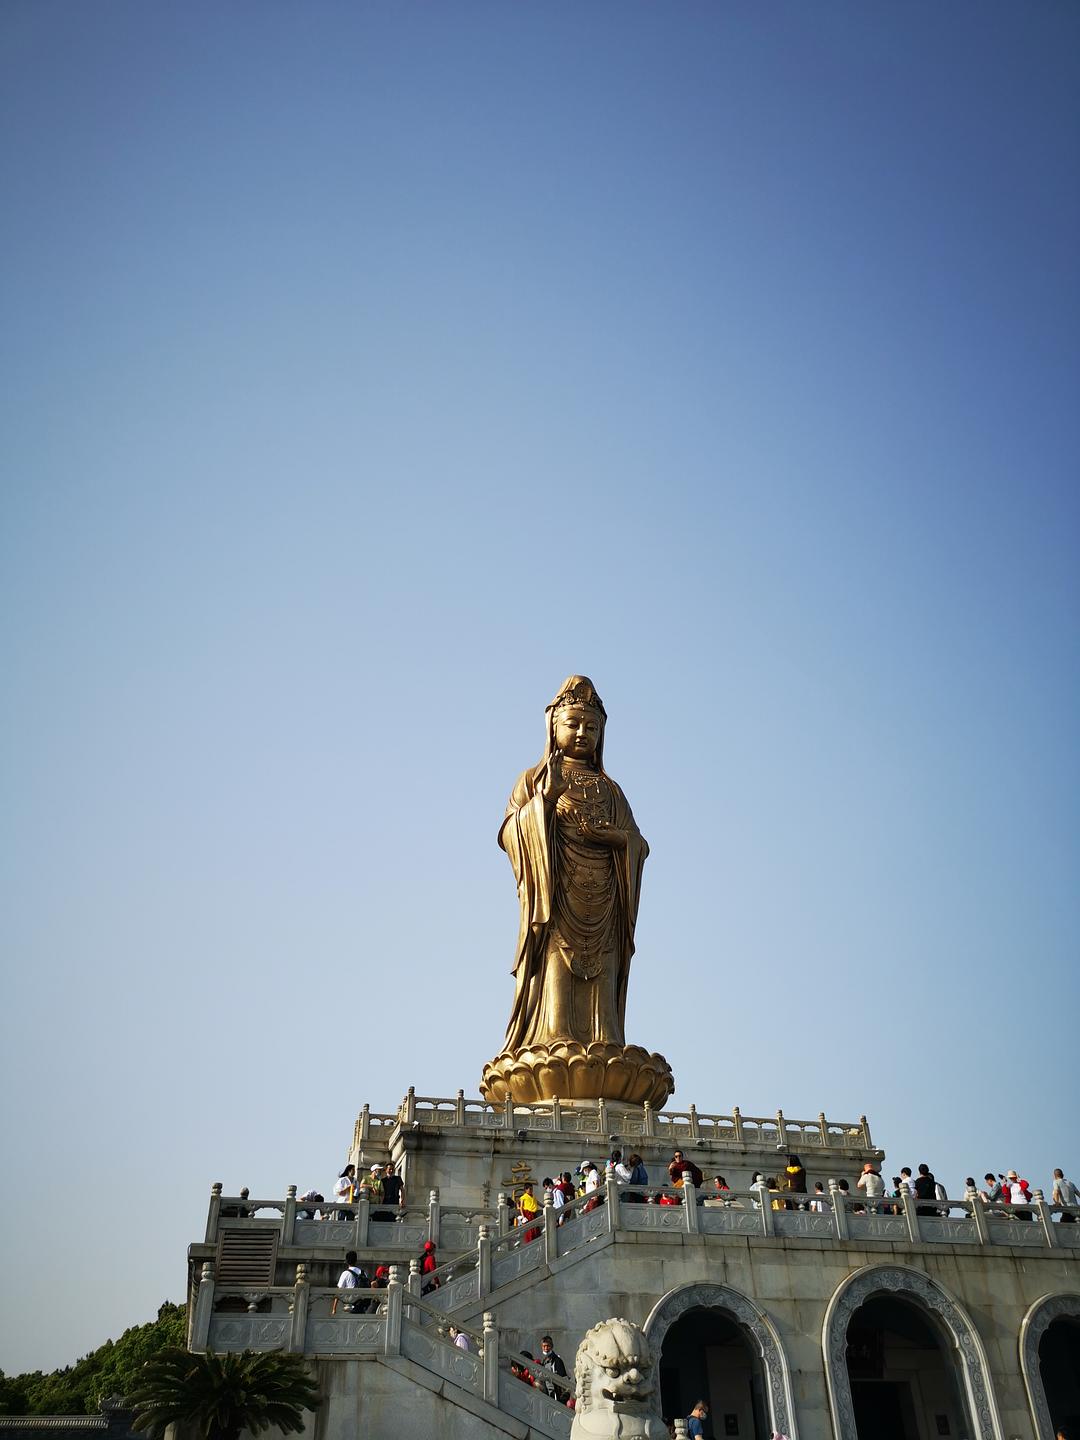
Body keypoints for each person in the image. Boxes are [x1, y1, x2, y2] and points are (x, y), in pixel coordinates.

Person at [491, 676, 650, 1061]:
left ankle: (607, 1043)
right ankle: (552, 1038)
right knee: (556, 969)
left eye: (591, 727)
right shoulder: (533, 780)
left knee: (604, 974)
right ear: (553, 727)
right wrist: (545, 803)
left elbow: (638, 844)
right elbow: (512, 832)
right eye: (573, 724)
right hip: (557, 897)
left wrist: (616, 839)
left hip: (606, 901)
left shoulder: (610, 790)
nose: (582, 733)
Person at [332, 1250, 370, 1315]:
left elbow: (338, 1292)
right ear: (356, 1261)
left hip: (350, 1307)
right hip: (362, 1306)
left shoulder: (345, 1273)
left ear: (346, 1261)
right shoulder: (363, 1273)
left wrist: (334, 1309)